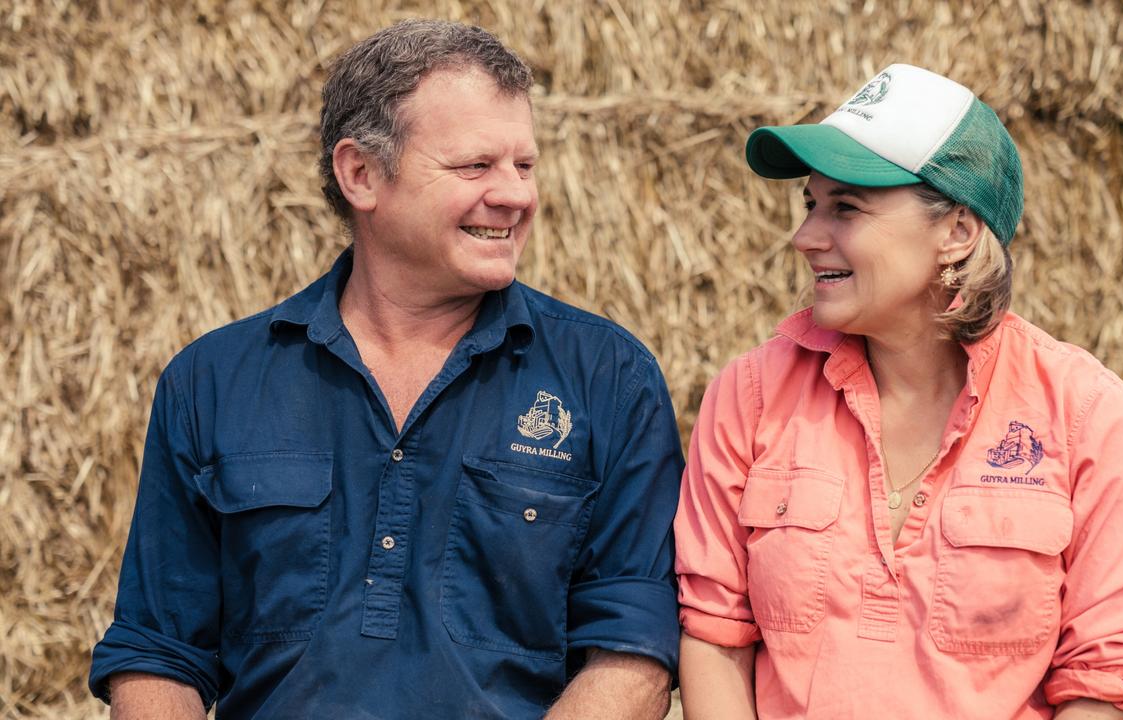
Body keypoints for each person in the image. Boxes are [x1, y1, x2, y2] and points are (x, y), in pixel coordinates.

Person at [89, 20, 681, 719]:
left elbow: (632, 652)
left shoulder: (609, 378)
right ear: (361, 175)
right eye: (475, 166)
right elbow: (158, 652)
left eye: (525, 165)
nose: (516, 195)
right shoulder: (210, 382)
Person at [674, 63, 1123, 720]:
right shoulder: (747, 396)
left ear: (958, 232)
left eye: (846, 207)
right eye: (810, 204)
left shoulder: (1090, 417)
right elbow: (715, 635)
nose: (804, 237)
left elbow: (1103, 678)